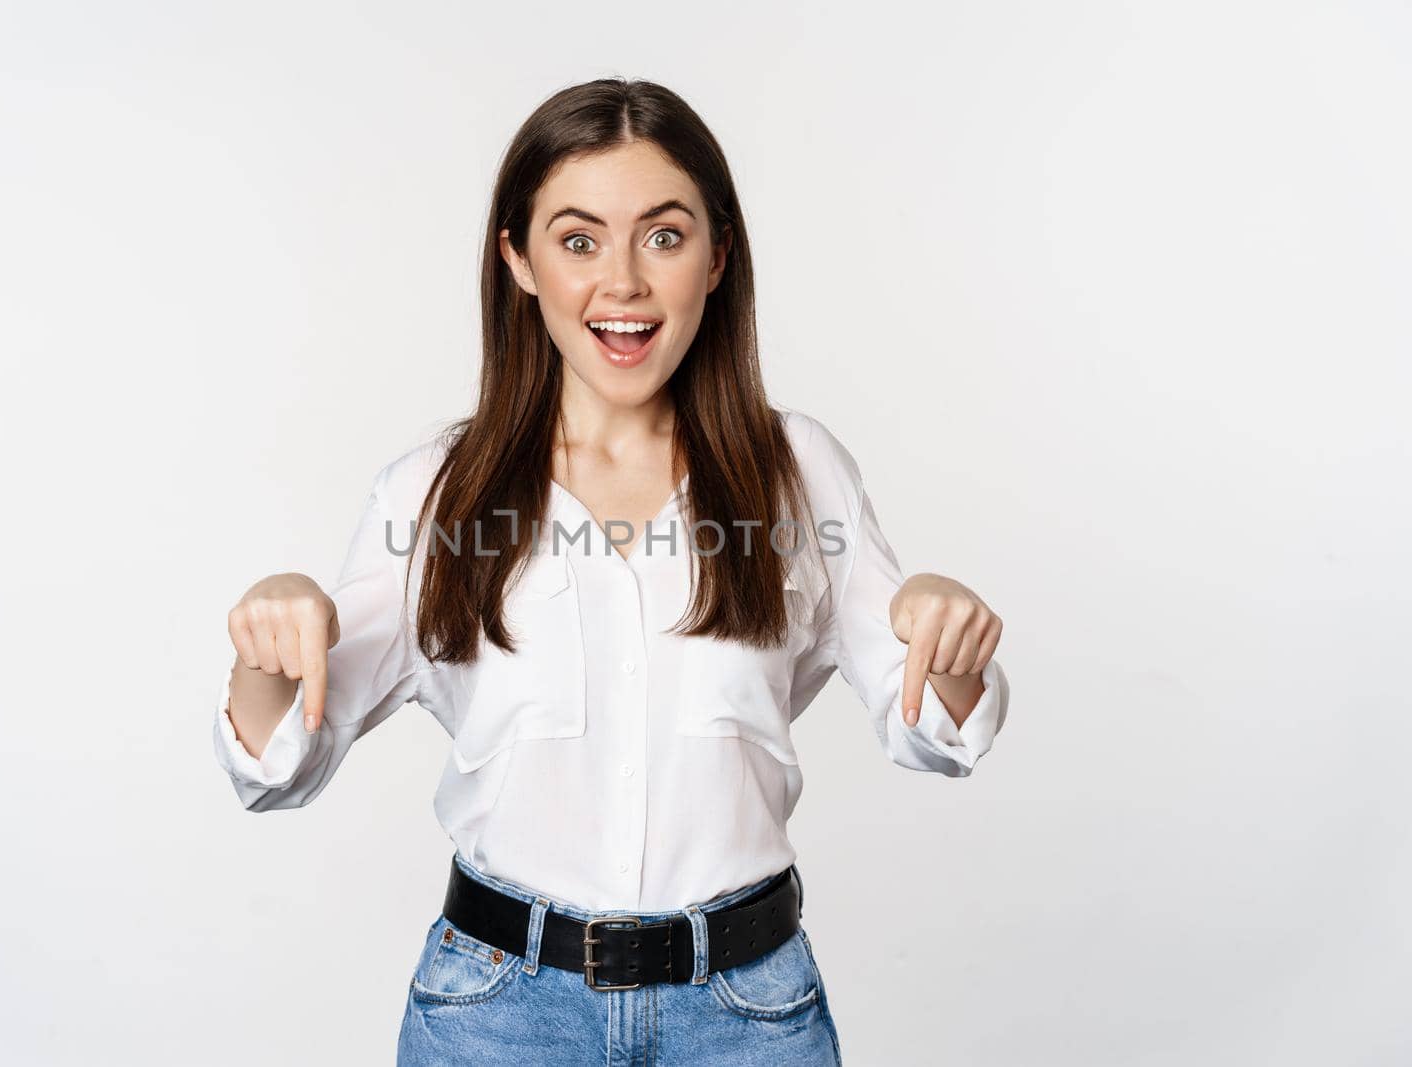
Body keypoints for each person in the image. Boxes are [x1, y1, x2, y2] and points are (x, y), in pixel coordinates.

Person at [212, 76, 1010, 1066]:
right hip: (496, 1017)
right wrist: (271, 643)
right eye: (578, 239)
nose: (622, 282)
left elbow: (935, 729)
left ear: (717, 256)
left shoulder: (798, 473)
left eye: (663, 236)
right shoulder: (433, 494)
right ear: (518, 259)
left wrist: (950, 633)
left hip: (748, 1016)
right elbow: (280, 764)